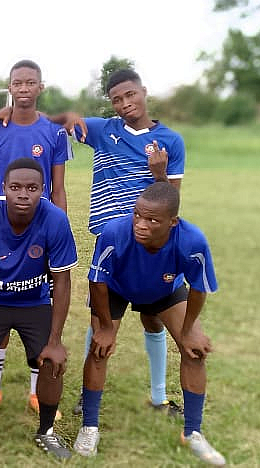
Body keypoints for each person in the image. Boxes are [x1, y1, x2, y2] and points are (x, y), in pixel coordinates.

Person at [73, 182, 225, 466]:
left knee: (194, 352)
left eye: (152, 220)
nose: (140, 225)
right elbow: (97, 281)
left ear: (172, 222)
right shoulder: (113, 232)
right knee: (99, 348)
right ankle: (89, 427)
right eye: (137, 215)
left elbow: (198, 288)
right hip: (116, 288)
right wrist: (105, 328)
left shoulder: (192, 241)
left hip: (165, 290)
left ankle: (192, 433)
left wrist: (189, 330)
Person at [66, 69, 186, 415]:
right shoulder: (103, 130)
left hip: (152, 248)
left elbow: (172, 201)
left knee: (154, 319)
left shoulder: (171, 141)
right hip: (112, 247)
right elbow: (57, 120)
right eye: (117, 99)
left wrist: (159, 173)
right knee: (101, 321)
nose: (125, 103)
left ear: (143, 92)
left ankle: (159, 397)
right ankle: (88, 394)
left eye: (130, 95)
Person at [0, 158, 77, 461]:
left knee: (52, 362)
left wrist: (55, 341)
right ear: (4, 188)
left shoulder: (55, 219)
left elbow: (62, 282)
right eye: (15, 187)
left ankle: (46, 431)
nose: (23, 194)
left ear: (43, 190)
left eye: (32, 188)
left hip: (34, 301)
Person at [0, 60, 73, 415]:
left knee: (38, 303)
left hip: (39, 230)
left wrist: (59, 228)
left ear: (40, 87)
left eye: (30, 83)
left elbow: (58, 188)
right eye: (17, 83)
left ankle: (36, 391)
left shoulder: (54, 132)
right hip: (0, 231)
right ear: (9, 87)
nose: (23, 89)